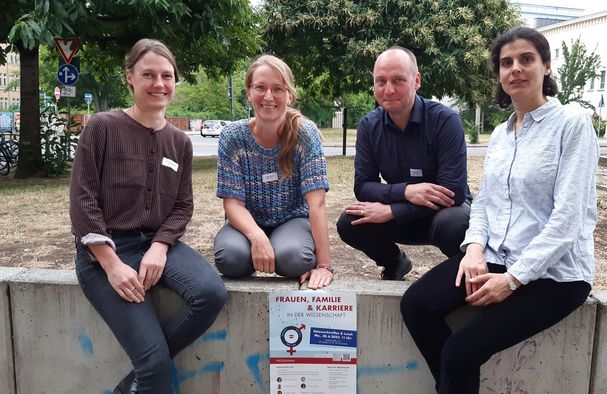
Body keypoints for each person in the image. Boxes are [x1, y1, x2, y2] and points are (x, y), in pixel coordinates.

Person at [400, 26, 599, 393]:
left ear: (547, 66)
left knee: (460, 352)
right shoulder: (500, 134)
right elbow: (485, 204)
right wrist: (474, 249)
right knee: (416, 305)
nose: (515, 69)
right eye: (506, 63)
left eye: (526, 59)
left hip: (557, 276)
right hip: (497, 256)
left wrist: (511, 281)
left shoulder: (571, 124)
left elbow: (567, 221)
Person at [69, 39, 227, 394]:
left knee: (211, 293)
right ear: (130, 78)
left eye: (167, 76)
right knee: (154, 366)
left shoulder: (179, 142)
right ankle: (149, 367)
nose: (159, 83)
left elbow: (183, 206)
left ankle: (136, 379)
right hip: (104, 254)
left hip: (156, 245)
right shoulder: (102, 127)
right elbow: (82, 199)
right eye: (148, 75)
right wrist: (111, 265)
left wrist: (159, 246)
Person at [336, 46, 472, 281]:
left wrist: (392, 209)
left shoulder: (445, 121)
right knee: (350, 221)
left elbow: (454, 192)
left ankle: (462, 273)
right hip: (400, 216)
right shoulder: (369, 126)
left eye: (398, 80)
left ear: (416, 80)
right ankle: (394, 263)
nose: (388, 90)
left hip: (442, 215)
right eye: (381, 81)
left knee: (455, 222)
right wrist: (406, 192)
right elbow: (363, 186)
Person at [214, 54, 334, 290]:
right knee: (229, 258)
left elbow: (316, 204)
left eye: (277, 89)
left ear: (290, 95)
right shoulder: (232, 137)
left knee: (295, 258)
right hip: (248, 219)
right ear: (249, 92)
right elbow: (233, 205)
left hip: (292, 219)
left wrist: (324, 265)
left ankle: (279, 250)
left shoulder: (305, 135)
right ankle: (257, 251)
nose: (268, 96)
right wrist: (257, 237)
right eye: (260, 87)